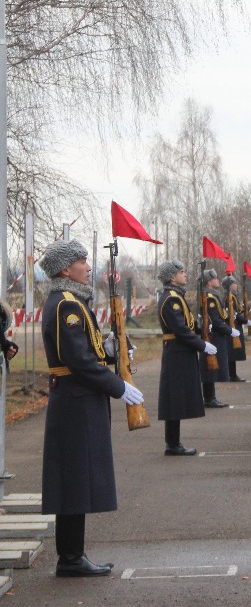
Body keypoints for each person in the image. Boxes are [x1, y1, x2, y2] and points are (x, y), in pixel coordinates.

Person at [39, 239, 145, 577]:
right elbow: (79, 361)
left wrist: (114, 351)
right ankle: (70, 558)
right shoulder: (66, 305)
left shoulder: (71, 301)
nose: (87, 265)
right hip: (75, 401)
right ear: (65, 269)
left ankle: (72, 555)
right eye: (82, 260)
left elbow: (90, 349)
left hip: (77, 400)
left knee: (77, 478)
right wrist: (118, 386)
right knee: (74, 478)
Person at [156, 260, 208, 455]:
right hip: (177, 352)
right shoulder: (171, 299)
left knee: (175, 398)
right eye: (181, 272)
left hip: (179, 351)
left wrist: (201, 327)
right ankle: (172, 444)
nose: (185, 275)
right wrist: (202, 344)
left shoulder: (176, 297)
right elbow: (180, 330)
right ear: (172, 277)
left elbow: (187, 324)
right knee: (174, 398)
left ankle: (174, 442)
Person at [199, 268, 236, 408]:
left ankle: (210, 397)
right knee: (209, 367)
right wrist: (229, 330)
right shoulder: (209, 298)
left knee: (212, 366)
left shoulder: (212, 296)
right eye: (215, 278)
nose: (218, 280)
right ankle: (209, 398)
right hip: (212, 336)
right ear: (209, 282)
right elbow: (214, 320)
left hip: (215, 336)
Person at [223, 274, 248, 382]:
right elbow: (232, 314)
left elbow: (237, 310)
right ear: (229, 285)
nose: (235, 285)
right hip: (231, 326)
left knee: (232, 353)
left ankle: (232, 374)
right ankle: (231, 375)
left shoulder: (231, 296)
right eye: (233, 283)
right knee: (231, 352)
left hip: (234, 326)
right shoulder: (228, 297)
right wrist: (245, 320)